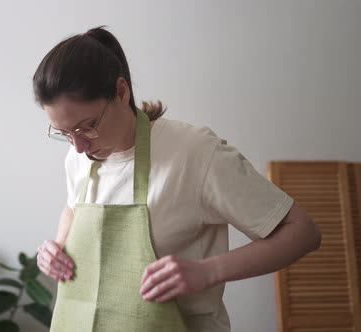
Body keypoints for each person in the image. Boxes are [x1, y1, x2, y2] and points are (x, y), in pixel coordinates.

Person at [33, 26, 321, 332]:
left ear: (121, 92)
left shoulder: (194, 153)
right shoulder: (79, 156)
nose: (78, 146)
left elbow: (303, 232)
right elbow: (74, 207)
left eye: (87, 126)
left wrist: (207, 271)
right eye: (64, 134)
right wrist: (59, 246)